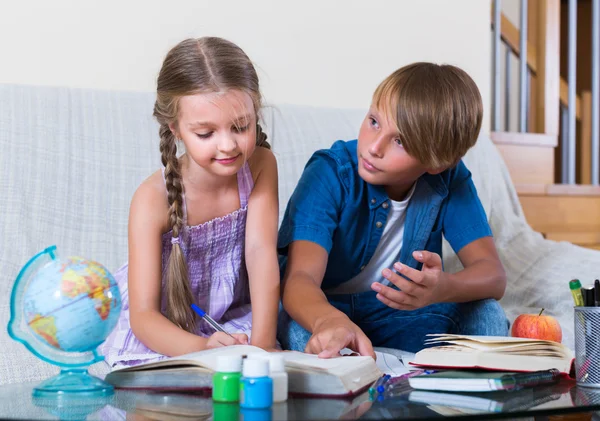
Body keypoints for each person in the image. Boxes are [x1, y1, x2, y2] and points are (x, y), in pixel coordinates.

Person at [277, 62, 509, 359]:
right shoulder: (330, 171)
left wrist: (442, 288)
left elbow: (493, 275)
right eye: (374, 121)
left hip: (398, 314)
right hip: (323, 308)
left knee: (487, 315)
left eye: (400, 141)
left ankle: (456, 391)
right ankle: (354, 372)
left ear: (437, 163)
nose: (374, 147)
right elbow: (299, 281)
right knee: (300, 333)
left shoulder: (449, 179)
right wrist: (329, 321)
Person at [101, 37, 280, 368]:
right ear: (176, 129)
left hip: (226, 318)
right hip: (167, 330)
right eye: (206, 134)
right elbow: (144, 315)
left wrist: (264, 347)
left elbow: (260, 253)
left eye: (241, 127)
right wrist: (205, 350)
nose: (227, 145)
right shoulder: (151, 200)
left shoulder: (261, 165)